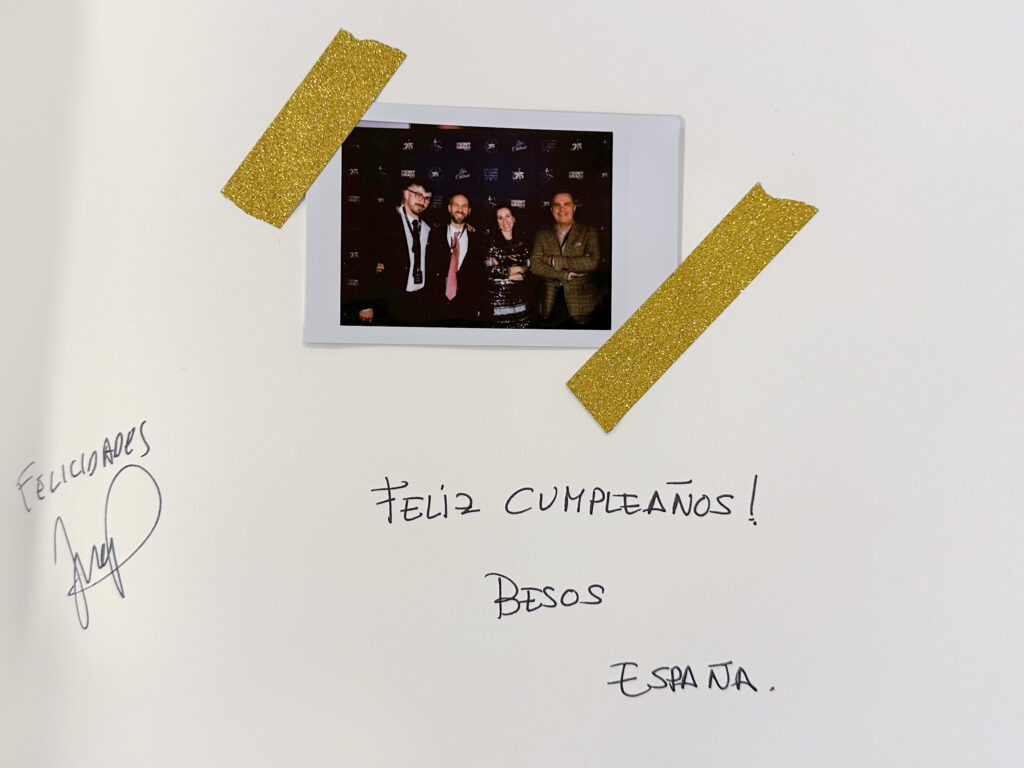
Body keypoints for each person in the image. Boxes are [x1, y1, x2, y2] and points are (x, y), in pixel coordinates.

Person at [359, 178, 434, 325]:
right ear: (406, 194)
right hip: (390, 300)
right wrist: (365, 304)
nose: (422, 201)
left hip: (420, 300)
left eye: (427, 198)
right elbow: (366, 261)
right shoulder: (383, 222)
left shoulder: (428, 227)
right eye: (418, 195)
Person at [529, 191, 602, 326]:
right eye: (557, 205)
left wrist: (553, 261)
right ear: (551, 209)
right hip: (549, 304)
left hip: (582, 304)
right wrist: (565, 275)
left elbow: (592, 262)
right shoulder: (542, 234)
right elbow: (535, 265)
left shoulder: (588, 232)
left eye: (566, 204)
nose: (561, 209)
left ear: (574, 207)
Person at [427, 193, 487, 326]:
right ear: (449, 208)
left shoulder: (478, 238)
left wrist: (479, 304)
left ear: (469, 210)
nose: (460, 209)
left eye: (464, 206)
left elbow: (481, 275)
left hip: (467, 306)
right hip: (436, 305)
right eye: (456, 205)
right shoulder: (435, 234)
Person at [485, 206, 533, 328]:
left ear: (514, 218)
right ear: (496, 222)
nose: (505, 221)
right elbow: (488, 271)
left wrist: (503, 271)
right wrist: (518, 269)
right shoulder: (490, 243)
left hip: (521, 300)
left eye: (508, 216)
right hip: (498, 302)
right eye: (500, 218)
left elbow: (530, 268)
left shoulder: (525, 242)